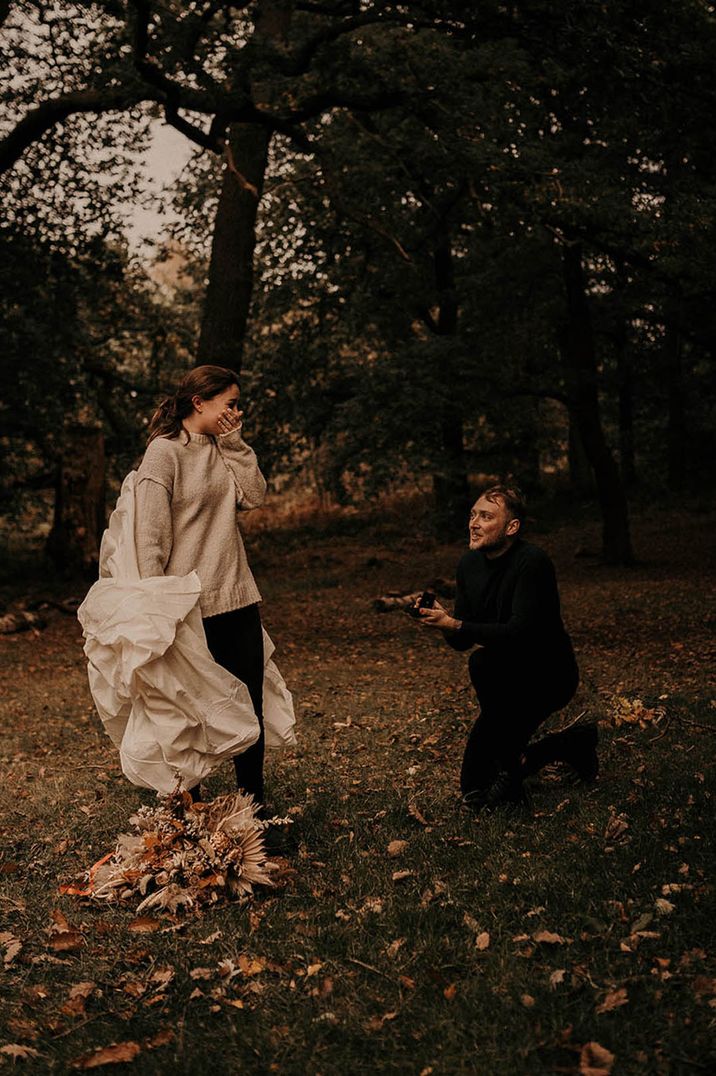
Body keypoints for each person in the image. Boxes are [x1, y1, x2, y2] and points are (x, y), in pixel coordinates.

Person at [134, 364, 272, 804]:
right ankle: (190, 814)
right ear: (199, 402)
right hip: (186, 609)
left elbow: (254, 496)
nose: (237, 411)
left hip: (236, 597)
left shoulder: (224, 448)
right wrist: (155, 608)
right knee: (191, 713)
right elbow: (150, 536)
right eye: (230, 403)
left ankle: (254, 806)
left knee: (249, 707)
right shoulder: (164, 453)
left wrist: (234, 444)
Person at [416, 484, 597, 810]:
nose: (473, 523)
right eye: (473, 515)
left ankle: (529, 768)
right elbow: (462, 641)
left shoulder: (533, 563)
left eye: (486, 516)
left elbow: (519, 632)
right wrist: (442, 621)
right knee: (483, 668)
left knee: (502, 750)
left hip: (547, 675)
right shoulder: (469, 564)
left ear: (511, 527)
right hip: (503, 673)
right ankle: (574, 742)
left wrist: (456, 624)